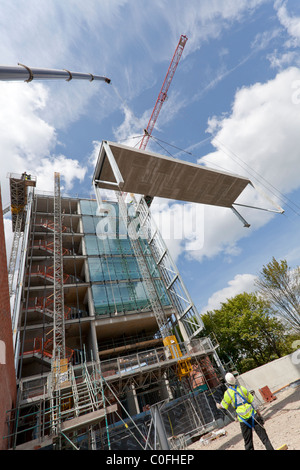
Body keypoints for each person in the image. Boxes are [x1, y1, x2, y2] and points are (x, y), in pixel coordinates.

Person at [216, 372, 274, 450]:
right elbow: (253, 402)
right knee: (265, 439)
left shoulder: (228, 394)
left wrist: (218, 405)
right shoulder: (242, 388)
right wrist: (259, 414)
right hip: (254, 416)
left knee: (248, 443)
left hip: (243, 420)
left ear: (227, 382)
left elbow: (223, 405)